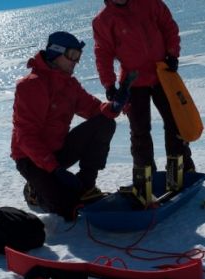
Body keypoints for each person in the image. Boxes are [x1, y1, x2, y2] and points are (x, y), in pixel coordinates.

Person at [11, 31, 129, 221]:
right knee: (68, 209)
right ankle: (35, 193)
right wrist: (55, 169)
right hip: (31, 158)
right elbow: (25, 137)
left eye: (78, 56)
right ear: (55, 53)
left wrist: (114, 106)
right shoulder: (31, 86)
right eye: (72, 55)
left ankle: (86, 185)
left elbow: (93, 109)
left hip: (58, 149)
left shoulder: (69, 85)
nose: (76, 61)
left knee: (104, 123)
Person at [92, 0, 195, 208]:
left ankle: (180, 173)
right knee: (139, 131)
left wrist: (172, 53)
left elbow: (168, 25)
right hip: (133, 80)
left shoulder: (149, 3)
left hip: (162, 73)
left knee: (175, 123)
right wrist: (110, 85)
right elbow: (103, 53)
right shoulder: (103, 20)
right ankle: (144, 183)